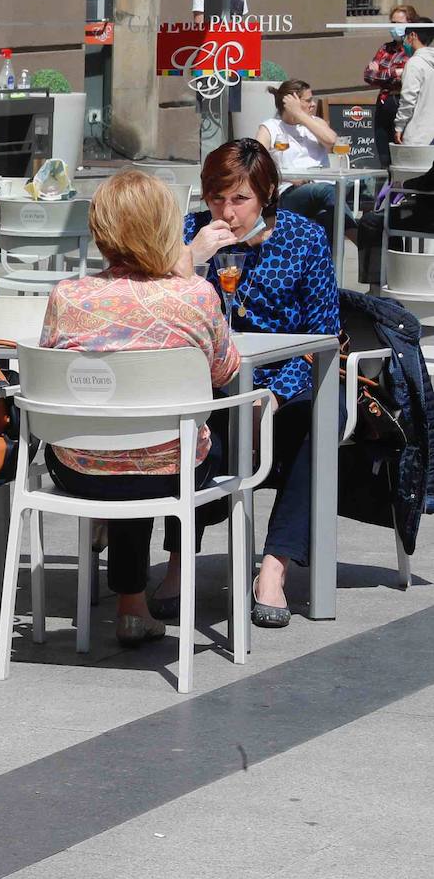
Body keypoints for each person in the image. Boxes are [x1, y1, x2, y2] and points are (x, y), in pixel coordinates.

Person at [39, 171, 240, 646]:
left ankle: (131, 603)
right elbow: (223, 372)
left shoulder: (67, 296)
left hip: (78, 466)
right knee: (181, 440)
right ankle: (160, 583)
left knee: (121, 440)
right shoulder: (195, 294)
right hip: (171, 469)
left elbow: (52, 368)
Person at [169, 139, 341, 629]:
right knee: (192, 431)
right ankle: (181, 559)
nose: (226, 211)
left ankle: (274, 566)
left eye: (240, 199)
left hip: (284, 380)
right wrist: (193, 258)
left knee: (322, 421)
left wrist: (273, 397)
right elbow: (147, 306)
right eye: (217, 197)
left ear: (267, 195)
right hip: (206, 382)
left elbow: (322, 338)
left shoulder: (302, 239)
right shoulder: (188, 235)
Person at [254, 79, 355, 243]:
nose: (313, 104)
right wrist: (289, 177)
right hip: (290, 192)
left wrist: (301, 115)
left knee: (328, 218)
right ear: (290, 102)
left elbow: (331, 141)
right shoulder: (271, 127)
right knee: (328, 191)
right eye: (308, 101)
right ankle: (357, 236)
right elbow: (256, 164)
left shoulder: (316, 124)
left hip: (324, 191)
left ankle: (333, 267)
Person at [365, 4, 419, 167]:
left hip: (402, 103)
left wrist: (382, 71)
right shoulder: (386, 48)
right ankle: (386, 190)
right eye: (392, 23)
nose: (394, 28)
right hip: (384, 103)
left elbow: (407, 76)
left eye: (398, 23)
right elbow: (368, 75)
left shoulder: (413, 50)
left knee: (402, 155)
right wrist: (394, 72)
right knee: (384, 156)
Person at [395, 17, 434, 147]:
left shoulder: (414, 64)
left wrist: (399, 127)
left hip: (419, 136)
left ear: (413, 35)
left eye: (405, 37)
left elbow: (408, 99)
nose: (404, 42)